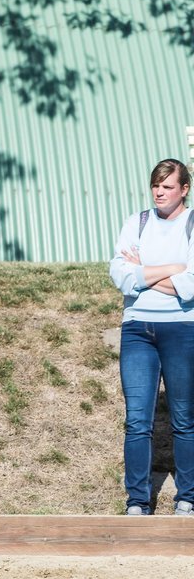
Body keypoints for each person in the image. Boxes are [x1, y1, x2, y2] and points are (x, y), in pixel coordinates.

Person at [109, 158, 194, 517]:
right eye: (155, 186)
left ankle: (187, 498)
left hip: (182, 329)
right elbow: (120, 275)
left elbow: (190, 286)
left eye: (168, 186)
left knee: (184, 419)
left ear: (184, 190)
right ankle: (137, 502)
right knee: (137, 420)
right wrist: (173, 270)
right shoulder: (137, 222)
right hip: (137, 329)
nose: (159, 192)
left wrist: (143, 273)